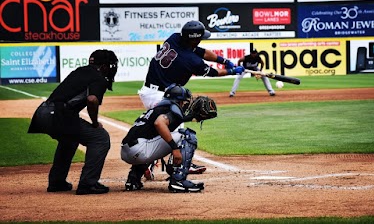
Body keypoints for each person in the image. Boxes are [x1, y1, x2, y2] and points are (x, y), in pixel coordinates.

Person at [138, 20, 244, 178]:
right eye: (200, 37)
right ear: (194, 38)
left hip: (152, 90)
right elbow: (213, 73)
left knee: (162, 130)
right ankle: (180, 164)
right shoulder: (190, 60)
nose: (201, 40)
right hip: (160, 95)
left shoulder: (175, 38)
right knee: (179, 132)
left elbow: (201, 51)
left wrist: (223, 60)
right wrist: (232, 70)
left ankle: (146, 166)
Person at [28, 49, 118, 195]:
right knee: (100, 138)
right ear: (104, 66)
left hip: (43, 112)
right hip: (57, 115)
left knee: (69, 139)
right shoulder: (99, 78)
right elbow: (92, 100)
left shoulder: (80, 71)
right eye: (110, 65)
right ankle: (88, 184)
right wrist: (95, 123)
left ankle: (57, 182)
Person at [121, 84, 204, 193]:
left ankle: (133, 179)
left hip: (127, 152)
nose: (185, 105)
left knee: (156, 137)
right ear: (178, 101)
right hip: (140, 151)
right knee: (187, 135)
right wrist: (175, 148)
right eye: (184, 102)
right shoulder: (169, 109)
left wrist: (193, 118)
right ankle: (178, 181)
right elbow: (159, 123)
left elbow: (167, 123)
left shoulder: (157, 109)